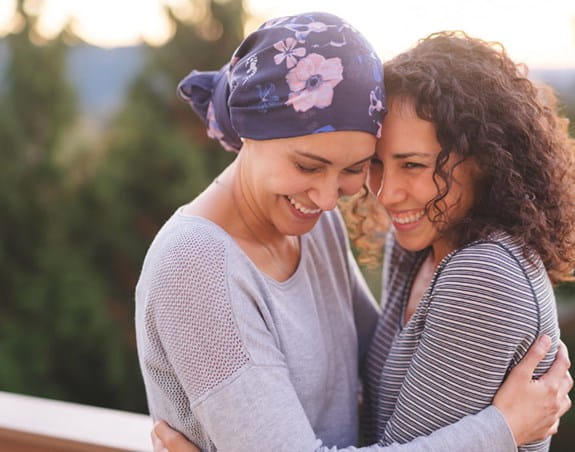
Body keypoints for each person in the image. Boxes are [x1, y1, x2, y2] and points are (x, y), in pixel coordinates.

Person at [136, 13, 572, 452]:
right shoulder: (194, 263)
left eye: (354, 169)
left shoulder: (312, 226)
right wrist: (502, 428)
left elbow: (375, 374)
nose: (328, 200)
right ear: (249, 132)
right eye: (308, 165)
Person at [353, 31, 575, 451]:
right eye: (376, 165)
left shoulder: (485, 277)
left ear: (484, 160)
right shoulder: (415, 249)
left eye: (413, 166)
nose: (386, 194)